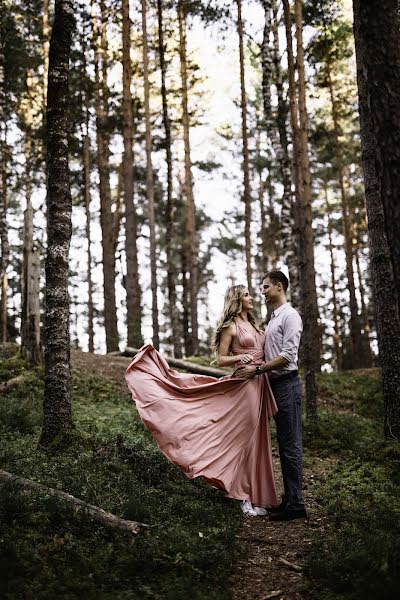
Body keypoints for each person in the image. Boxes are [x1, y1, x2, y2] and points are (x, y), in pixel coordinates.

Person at [125, 284, 278, 517]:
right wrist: (240, 357)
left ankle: (257, 495)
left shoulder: (255, 325)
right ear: (237, 299)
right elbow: (220, 359)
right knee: (243, 440)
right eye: (246, 294)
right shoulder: (231, 327)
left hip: (260, 383)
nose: (251, 297)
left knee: (257, 439)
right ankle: (241, 496)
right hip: (244, 385)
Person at [236, 270, 308, 521]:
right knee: (284, 444)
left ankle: (296, 506)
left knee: (291, 445)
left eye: (266, 287)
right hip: (272, 386)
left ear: (279, 287)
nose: (262, 291)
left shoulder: (290, 316)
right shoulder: (272, 319)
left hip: (287, 384)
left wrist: (257, 370)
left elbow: (289, 355)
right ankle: (289, 500)